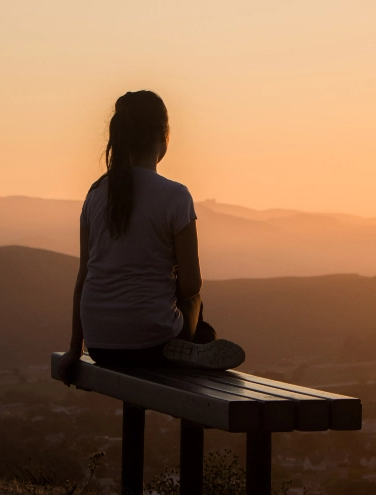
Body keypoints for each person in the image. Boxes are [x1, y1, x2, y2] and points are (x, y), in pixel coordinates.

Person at [56, 90, 245, 385]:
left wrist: (73, 349)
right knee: (196, 302)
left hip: (101, 346)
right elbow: (191, 284)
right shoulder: (175, 196)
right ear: (164, 136)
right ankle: (197, 344)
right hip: (153, 343)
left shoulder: (95, 194)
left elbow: (84, 277)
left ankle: (193, 345)